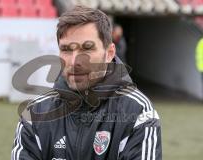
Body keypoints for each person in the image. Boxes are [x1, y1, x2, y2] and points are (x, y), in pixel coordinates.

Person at [11, 6, 162, 160]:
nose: (75, 61)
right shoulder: (34, 114)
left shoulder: (139, 112)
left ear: (109, 53)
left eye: (87, 48)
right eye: (66, 49)